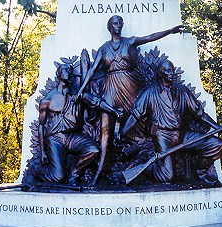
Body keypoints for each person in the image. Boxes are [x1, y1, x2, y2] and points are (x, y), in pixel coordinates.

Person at [77, 15, 184, 185]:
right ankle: (99, 172)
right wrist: (81, 90)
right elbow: (91, 71)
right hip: (111, 88)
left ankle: (151, 165)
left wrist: (170, 31)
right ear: (109, 27)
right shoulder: (104, 49)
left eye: (120, 23)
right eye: (114, 23)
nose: (118, 26)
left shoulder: (130, 42)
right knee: (106, 131)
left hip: (130, 86)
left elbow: (149, 37)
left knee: (138, 122)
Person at [120, 60, 222, 186]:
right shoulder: (150, 92)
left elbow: (199, 113)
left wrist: (218, 127)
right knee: (167, 176)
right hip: (163, 136)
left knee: (216, 144)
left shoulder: (182, 91)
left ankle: (196, 168)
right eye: (167, 70)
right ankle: (147, 168)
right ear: (160, 74)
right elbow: (135, 115)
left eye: (172, 70)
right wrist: (122, 133)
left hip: (183, 135)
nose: (171, 73)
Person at [36, 63, 122, 186]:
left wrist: (114, 112)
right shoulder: (47, 100)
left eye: (69, 70)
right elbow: (41, 126)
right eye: (64, 70)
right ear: (58, 74)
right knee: (58, 177)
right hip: (55, 138)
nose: (68, 72)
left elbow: (97, 103)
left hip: (72, 137)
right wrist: (43, 152)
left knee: (93, 150)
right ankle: (37, 173)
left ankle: (74, 175)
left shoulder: (77, 94)